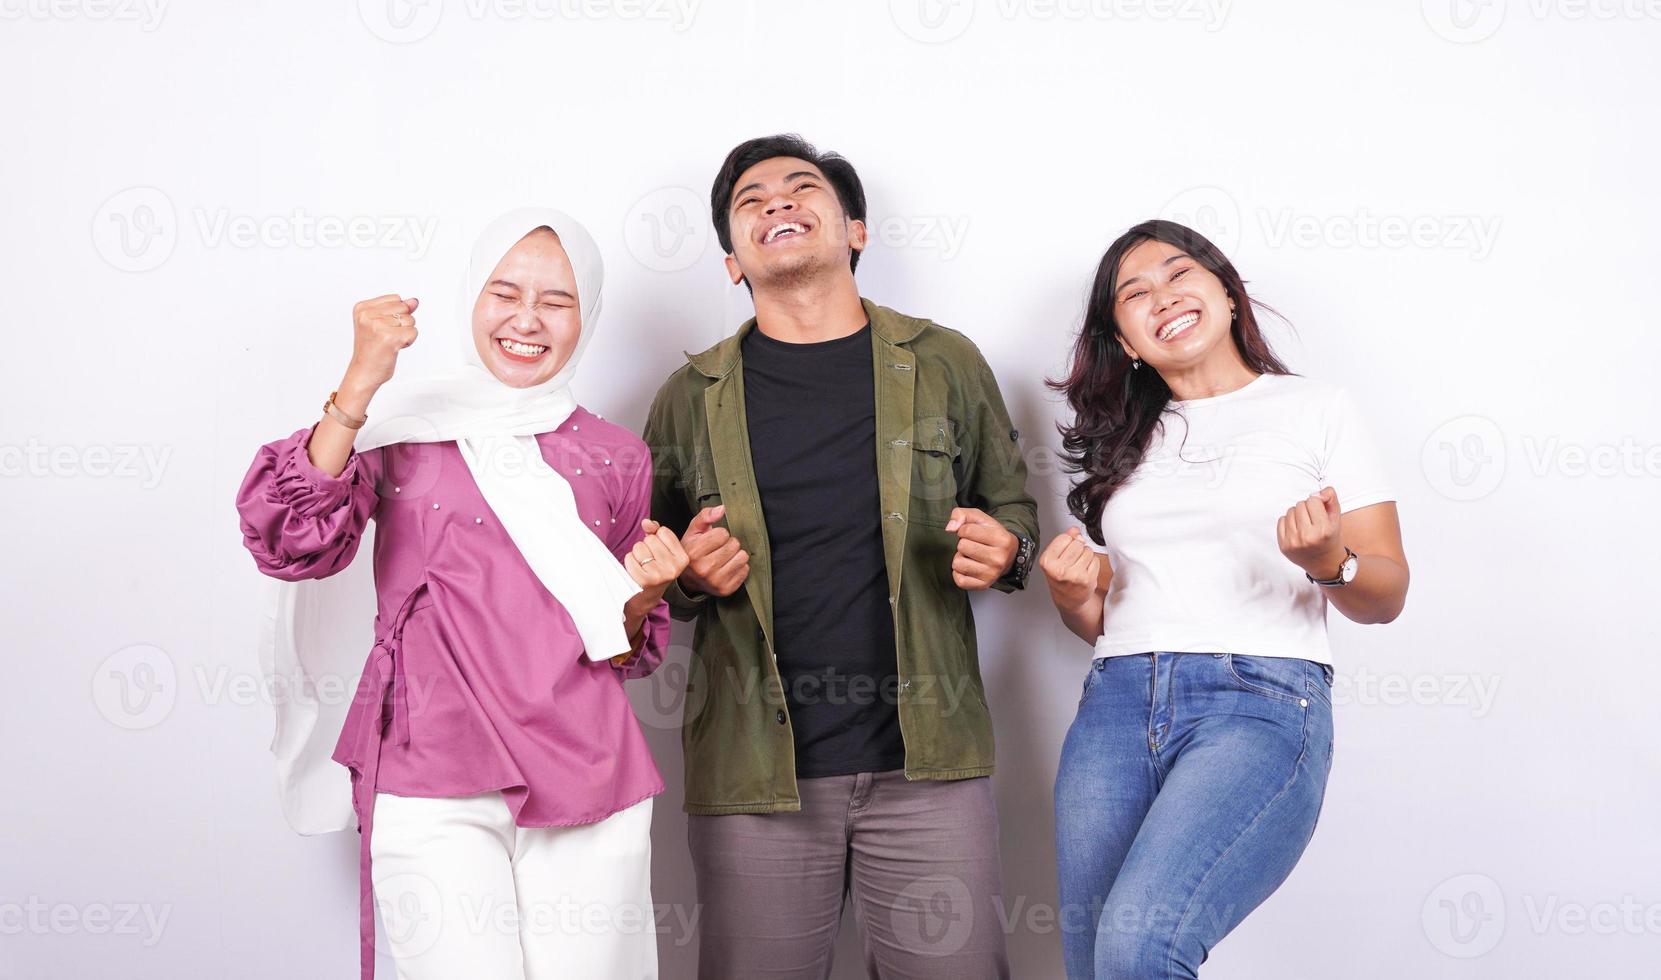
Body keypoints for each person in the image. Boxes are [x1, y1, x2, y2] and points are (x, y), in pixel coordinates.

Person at [234, 208, 682, 980]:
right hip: (429, 760)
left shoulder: (616, 453)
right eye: (504, 293)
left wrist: (645, 592)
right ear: (472, 298)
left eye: (557, 301)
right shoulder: (405, 430)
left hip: (588, 768)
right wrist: (362, 380)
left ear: (588, 316)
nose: (526, 319)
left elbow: (626, 646)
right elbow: (288, 542)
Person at [642, 134, 1039, 979]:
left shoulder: (945, 362)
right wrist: (686, 579)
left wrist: (1008, 551)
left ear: (853, 230)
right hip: (757, 776)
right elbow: (646, 562)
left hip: (928, 767)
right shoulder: (689, 397)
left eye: (800, 189)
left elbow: (1012, 508)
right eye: (751, 202)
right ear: (730, 261)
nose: (777, 205)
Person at [1041, 219, 1411, 978]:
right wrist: (1071, 594)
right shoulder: (1124, 442)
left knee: (1139, 949)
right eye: (1133, 295)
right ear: (1128, 344)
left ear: (1227, 294)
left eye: (1179, 275)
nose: (1163, 297)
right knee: (1093, 964)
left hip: (1259, 702)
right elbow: (1110, 619)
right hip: (1114, 704)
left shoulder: (1317, 409)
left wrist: (1327, 561)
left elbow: (1385, 594)